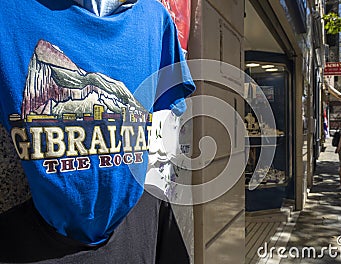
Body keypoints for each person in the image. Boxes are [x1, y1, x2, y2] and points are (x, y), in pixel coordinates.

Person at [0, 0, 195, 262]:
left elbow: (166, 126)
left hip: (139, 229)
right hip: (34, 242)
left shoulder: (155, 19)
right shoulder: (8, 14)